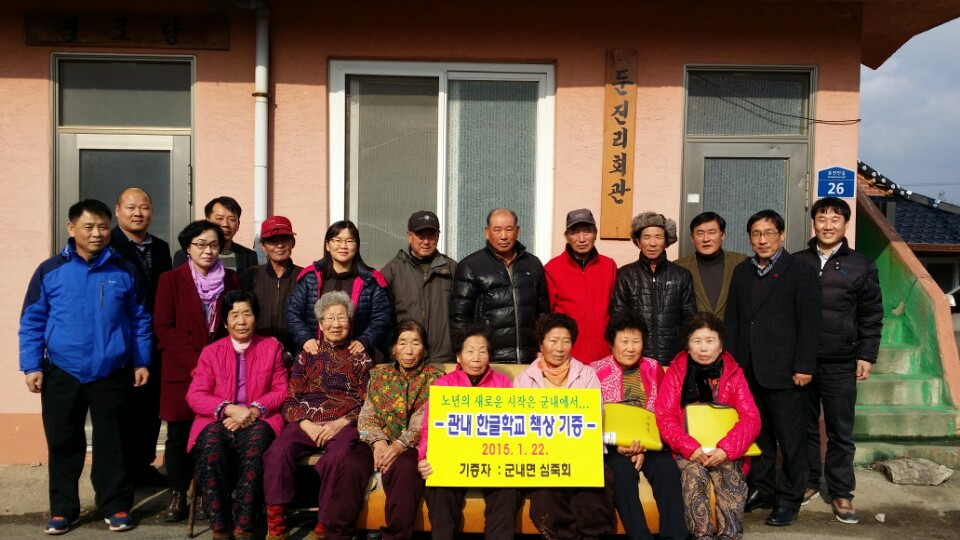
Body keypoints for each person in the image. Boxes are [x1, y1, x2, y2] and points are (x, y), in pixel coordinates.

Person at [19, 199, 152, 534]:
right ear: (71, 229)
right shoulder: (50, 271)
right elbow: (33, 320)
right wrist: (31, 365)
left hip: (112, 370)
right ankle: (63, 509)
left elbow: (139, 320)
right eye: (89, 226)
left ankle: (115, 505)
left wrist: (141, 360)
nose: (97, 233)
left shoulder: (124, 270)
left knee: (113, 443)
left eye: (103, 226)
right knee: (64, 442)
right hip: (62, 370)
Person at [724, 209, 821, 527]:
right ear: (749, 238)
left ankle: (789, 499)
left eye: (768, 233)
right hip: (750, 370)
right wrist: (733, 367)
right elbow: (735, 322)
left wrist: (804, 365)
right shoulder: (742, 272)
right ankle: (762, 490)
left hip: (787, 371)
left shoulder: (801, 270)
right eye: (756, 234)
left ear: (781, 235)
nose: (762, 240)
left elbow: (810, 322)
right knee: (760, 437)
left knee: (791, 440)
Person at [794, 197, 883, 524]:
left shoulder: (861, 265)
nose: (828, 224)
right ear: (813, 223)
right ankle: (808, 482)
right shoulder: (796, 262)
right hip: (801, 362)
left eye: (835, 219)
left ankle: (842, 492)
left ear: (845, 224)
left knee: (841, 431)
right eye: (822, 218)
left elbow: (872, 315)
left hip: (841, 362)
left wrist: (866, 355)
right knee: (804, 429)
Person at [264, 291, 374, 540]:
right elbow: (291, 399)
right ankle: (276, 521)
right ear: (321, 324)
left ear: (350, 321)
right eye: (330, 318)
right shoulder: (305, 356)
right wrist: (305, 423)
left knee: (339, 457)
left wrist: (342, 422)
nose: (336, 324)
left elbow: (369, 404)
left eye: (341, 318)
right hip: (306, 421)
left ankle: (325, 522)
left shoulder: (362, 358)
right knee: (278, 451)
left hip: (344, 421)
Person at [155, 220, 240, 522]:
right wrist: (197, 363)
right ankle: (177, 493)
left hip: (220, 373)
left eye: (214, 245)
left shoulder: (230, 280)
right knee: (178, 436)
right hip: (182, 370)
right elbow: (163, 326)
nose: (208, 250)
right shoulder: (170, 280)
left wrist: (218, 364)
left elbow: (235, 323)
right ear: (188, 248)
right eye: (201, 244)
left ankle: (207, 493)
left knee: (211, 432)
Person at [186, 290, 288, 539]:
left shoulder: (271, 347)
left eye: (247, 314)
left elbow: (281, 389)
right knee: (210, 449)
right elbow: (196, 394)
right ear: (224, 322)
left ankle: (245, 525)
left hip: (259, 417)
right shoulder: (211, 352)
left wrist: (252, 411)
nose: (241, 321)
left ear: (256, 318)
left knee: (256, 450)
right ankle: (220, 526)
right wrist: (229, 409)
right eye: (234, 315)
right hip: (219, 418)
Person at [331, 320, 445, 539]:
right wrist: (378, 442)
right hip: (377, 441)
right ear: (393, 348)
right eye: (402, 343)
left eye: (415, 343)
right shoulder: (379, 375)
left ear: (425, 348)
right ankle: (338, 534)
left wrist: (399, 445)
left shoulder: (435, 379)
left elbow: (426, 421)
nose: (409, 351)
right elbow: (367, 414)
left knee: (404, 471)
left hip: (413, 445)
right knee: (351, 466)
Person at [656, 312, 761, 540]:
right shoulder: (676, 372)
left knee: (729, 476)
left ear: (721, 345)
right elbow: (664, 416)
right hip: (688, 451)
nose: (704, 348)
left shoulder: (733, 373)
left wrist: (726, 449)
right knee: (693, 475)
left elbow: (751, 418)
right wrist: (689, 447)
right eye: (697, 341)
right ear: (688, 345)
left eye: (710, 340)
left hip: (724, 451)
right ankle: (701, 536)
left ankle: (729, 536)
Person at [513, 313, 614, 540]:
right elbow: (521, 422)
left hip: (580, 449)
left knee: (598, 478)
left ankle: (592, 534)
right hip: (542, 453)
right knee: (546, 486)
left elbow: (594, 414)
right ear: (541, 343)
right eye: (553, 340)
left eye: (566, 341)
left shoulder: (586, 374)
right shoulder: (525, 379)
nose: (559, 347)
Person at [418, 324, 520, 539]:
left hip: (493, 461)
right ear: (458, 357)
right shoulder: (443, 385)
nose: (476, 357)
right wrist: (424, 457)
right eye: (470, 351)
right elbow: (429, 427)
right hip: (453, 461)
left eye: (482, 351)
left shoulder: (503, 385)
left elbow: (513, 426)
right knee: (439, 490)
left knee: (508, 491)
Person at [590, 315, 687, 540]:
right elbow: (591, 417)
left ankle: (675, 537)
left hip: (650, 442)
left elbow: (665, 412)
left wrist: (643, 447)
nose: (631, 348)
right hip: (611, 446)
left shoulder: (654, 368)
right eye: (624, 341)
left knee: (668, 471)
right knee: (622, 474)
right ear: (611, 343)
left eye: (636, 341)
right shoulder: (594, 371)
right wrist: (619, 445)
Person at [110, 187, 173, 487]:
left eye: (144, 207)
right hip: (119, 340)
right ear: (117, 210)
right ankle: (121, 474)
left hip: (154, 340)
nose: (138, 213)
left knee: (150, 408)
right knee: (123, 411)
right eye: (131, 207)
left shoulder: (160, 247)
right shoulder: (107, 245)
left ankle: (143, 464)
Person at [450, 208, 550, 363]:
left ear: (517, 231)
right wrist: (467, 356)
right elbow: (460, 320)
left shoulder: (533, 264)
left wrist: (542, 349)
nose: (504, 236)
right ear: (487, 232)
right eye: (497, 230)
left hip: (529, 361)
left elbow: (544, 315)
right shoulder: (471, 266)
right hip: (488, 361)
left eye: (509, 229)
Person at [286, 220, 391, 358]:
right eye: (337, 240)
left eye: (349, 241)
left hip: (355, 358)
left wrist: (365, 340)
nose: (343, 246)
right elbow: (293, 312)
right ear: (328, 245)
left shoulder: (371, 280)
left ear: (357, 245)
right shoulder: (310, 277)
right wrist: (305, 338)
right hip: (314, 356)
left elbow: (381, 317)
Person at [610, 212, 696, 366]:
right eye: (647, 237)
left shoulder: (681, 275)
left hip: (673, 360)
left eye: (658, 237)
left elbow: (689, 320)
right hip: (637, 360)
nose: (652, 243)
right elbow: (618, 319)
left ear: (666, 241)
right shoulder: (625, 275)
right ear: (638, 241)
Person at [381, 210, 458, 363]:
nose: (426, 241)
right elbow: (380, 317)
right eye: (420, 235)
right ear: (409, 236)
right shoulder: (392, 271)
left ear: (438, 236)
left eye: (431, 235)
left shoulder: (453, 269)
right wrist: (392, 350)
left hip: (443, 360)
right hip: (405, 361)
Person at [544, 208, 618, 364]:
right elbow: (546, 316)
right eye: (575, 232)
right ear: (566, 236)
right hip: (567, 356)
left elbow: (617, 310)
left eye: (587, 231)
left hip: (604, 355)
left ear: (596, 233)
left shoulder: (608, 265)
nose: (582, 238)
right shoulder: (552, 268)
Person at [240, 215, 303, 358]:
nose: (279, 246)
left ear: (292, 243)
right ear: (262, 246)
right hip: (254, 354)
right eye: (273, 241)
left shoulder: (305, 277)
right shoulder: (250, 276)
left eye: (284, 240)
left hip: (295, 356)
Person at [674, 212, 747, 320]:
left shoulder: (742, 263)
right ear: (692, 237)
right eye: (700, 233)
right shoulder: (678, 268)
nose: (706, 239)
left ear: (722, 235)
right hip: (694, 335)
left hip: (733, 335)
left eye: (712, 232)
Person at [173, 196, 259, 274]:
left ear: (238, 224)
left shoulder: (249, 256)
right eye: (219, 218)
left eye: (232, 219)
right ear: (207, 221)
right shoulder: (184, 255)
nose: (225, 224)